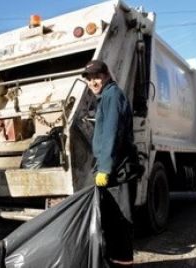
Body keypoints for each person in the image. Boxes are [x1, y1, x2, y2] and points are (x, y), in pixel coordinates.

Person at [83, 60, 135, 267]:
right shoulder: (106, 96)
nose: (92, 82)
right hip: (115, 169)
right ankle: (115, 261)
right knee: (113, 222)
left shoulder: (112, 96)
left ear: (106, 75)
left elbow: (112, 134)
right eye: (89, 78)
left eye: (96, 77)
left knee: (120, 222)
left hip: (118, 170)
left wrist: (104, 168)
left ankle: (122, 264)